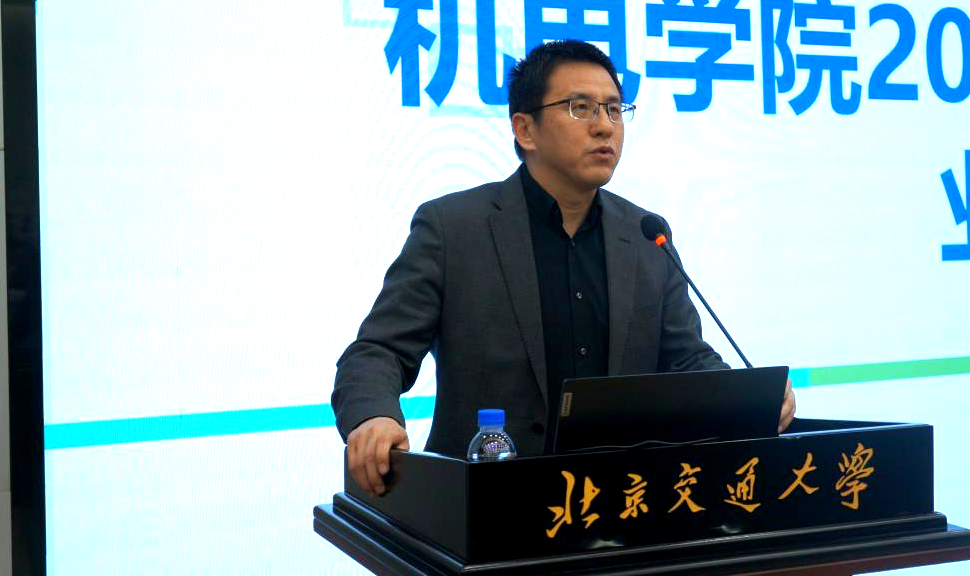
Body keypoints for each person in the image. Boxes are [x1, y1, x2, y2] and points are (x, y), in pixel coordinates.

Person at [332, 40, 796, 496]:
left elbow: (685, 359)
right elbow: (378, 351)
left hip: (619, 505)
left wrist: (749, 396)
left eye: (614, 109)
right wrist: (374, 416)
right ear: (525, 130)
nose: (604, 127)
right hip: (484, 504)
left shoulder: (646, 235)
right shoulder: (453, 229)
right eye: (581, 108)